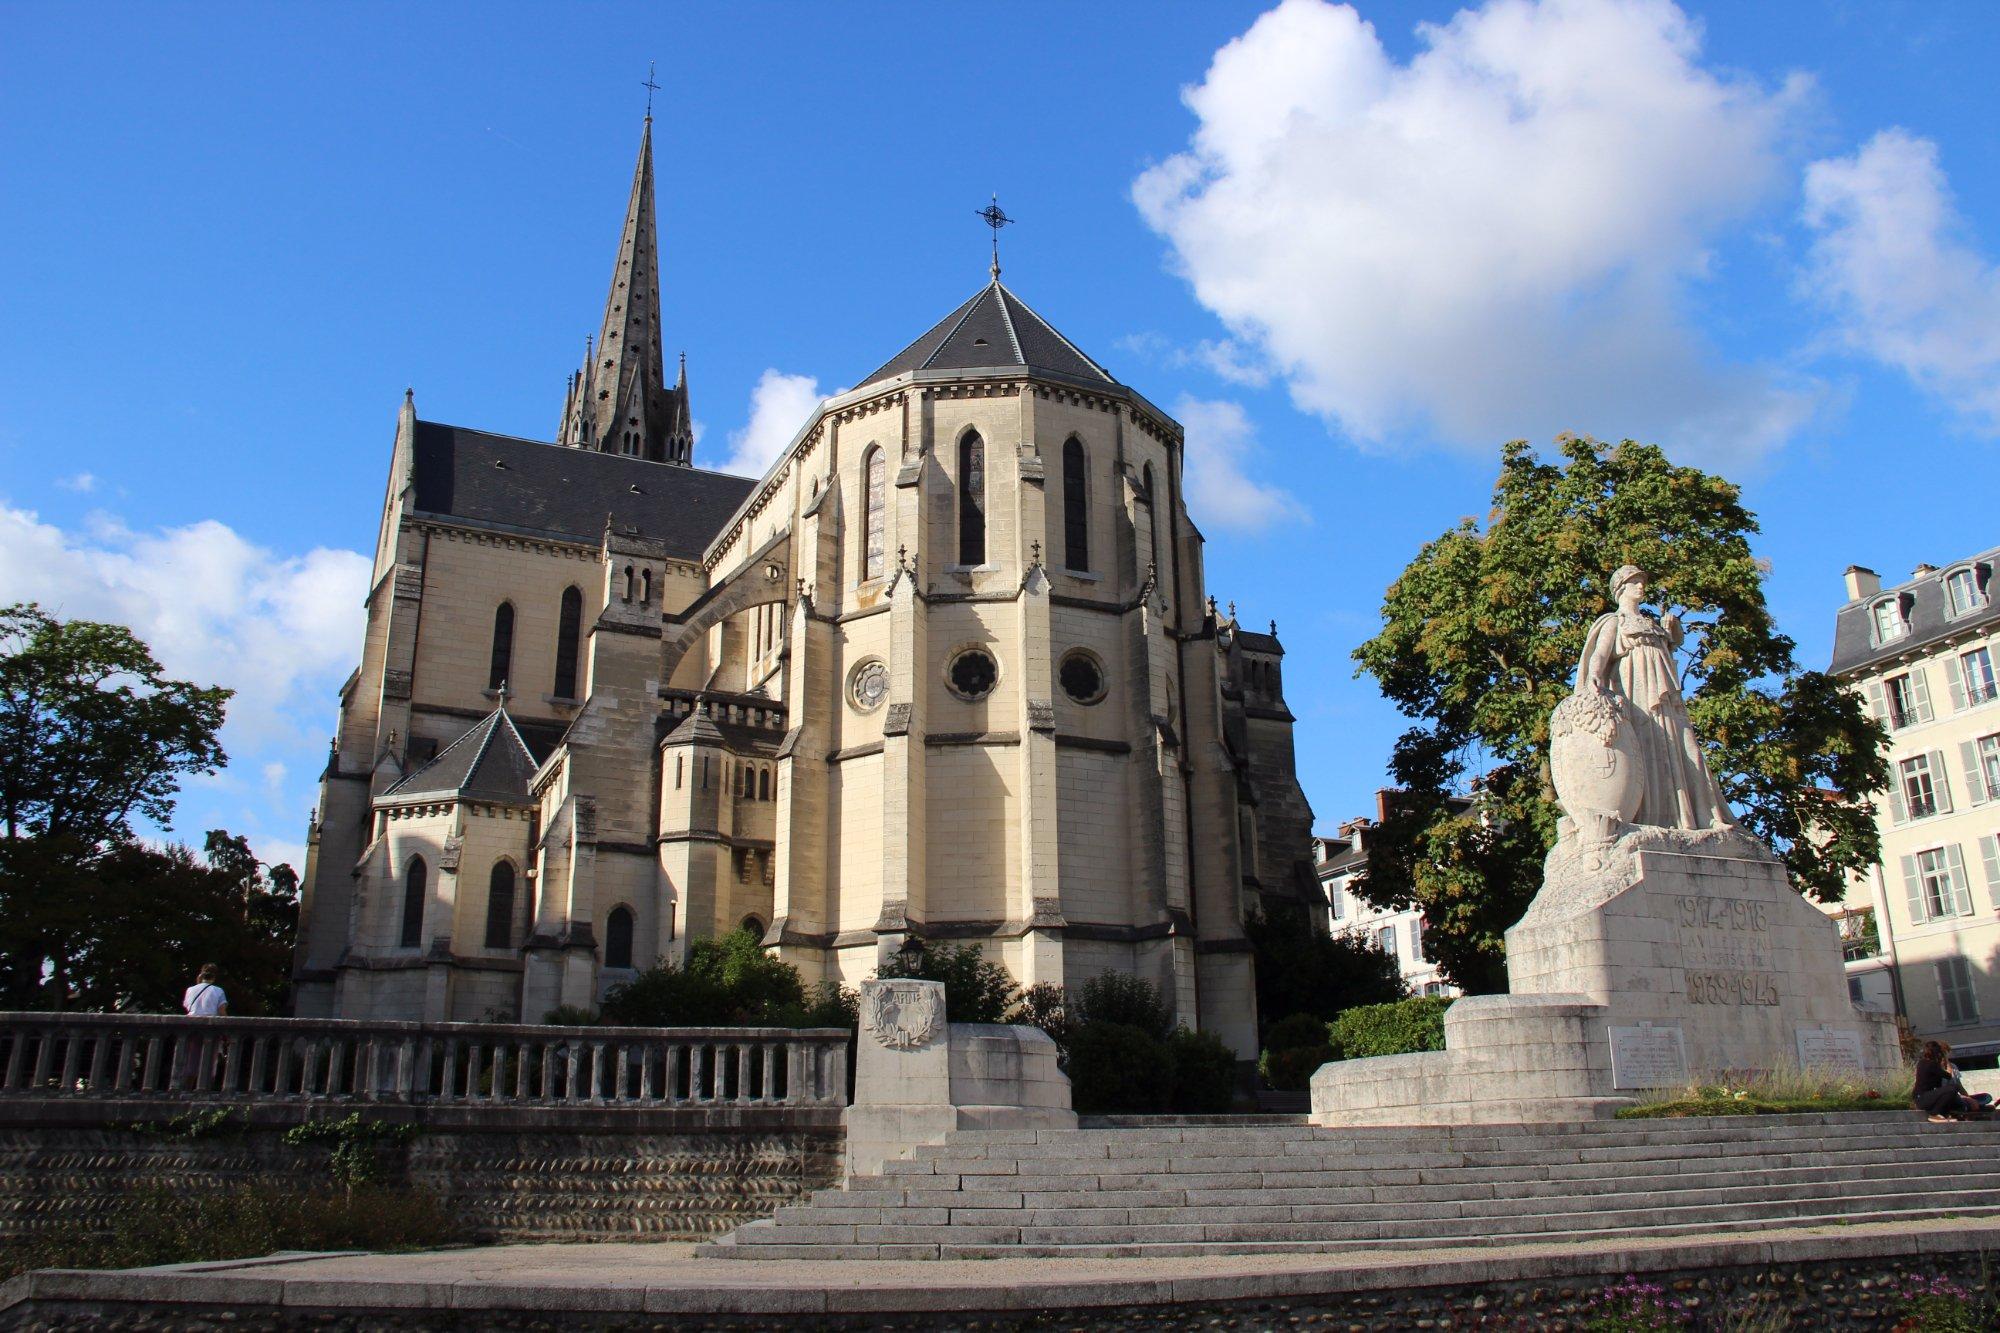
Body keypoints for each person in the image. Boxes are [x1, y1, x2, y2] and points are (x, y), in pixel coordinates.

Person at [1576, 565, 1735, 832]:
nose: (1641, 587)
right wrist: (1594, 675)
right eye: (1634, 582)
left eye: (1641, 582)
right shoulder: (1615, 622)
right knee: (1647, 751)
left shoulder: (1650, 623)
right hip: (1636, 694)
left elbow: (1671, 646)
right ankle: (1651, 819)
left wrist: (1672, 631)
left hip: (1665, 694)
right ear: (1621, 589)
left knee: (1686, 750)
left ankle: (1704, 817)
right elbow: (1600, 655)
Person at [1915, 1040, 1973, 1121]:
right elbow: (1949, 1076)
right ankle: (1934, 1114)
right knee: (1953, 1088)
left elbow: (1938, 1087)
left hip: (1925, 1097)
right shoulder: (1929, 1064)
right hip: (1923, 1098)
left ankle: (1946, 1114)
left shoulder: (1923, 1063)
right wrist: (1948, 1066)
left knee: (1954, 1097)